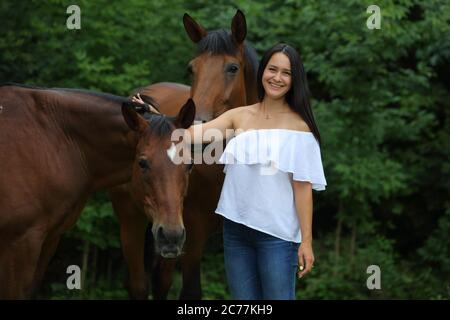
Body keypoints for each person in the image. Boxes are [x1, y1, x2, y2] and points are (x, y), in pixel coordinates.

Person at [132, 43, 326, 300]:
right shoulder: (239, 117)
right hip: (236, 233)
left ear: (294, 79)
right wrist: (157, 119)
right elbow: (187, 135)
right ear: (261, 72)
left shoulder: (300, 128)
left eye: (286, 73)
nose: (277, 78)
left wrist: (306, 241)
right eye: (272, 69)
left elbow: (302, 189)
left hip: (277, 237)